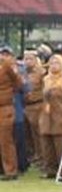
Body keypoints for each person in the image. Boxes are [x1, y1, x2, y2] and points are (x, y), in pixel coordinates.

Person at [0, 46, 21, 179]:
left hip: (5, 107)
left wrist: (9, 95)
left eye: (6, 53)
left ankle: (11, 171)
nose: (3, 56)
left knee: (6, 140)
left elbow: (18, 82)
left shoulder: (8, 66)